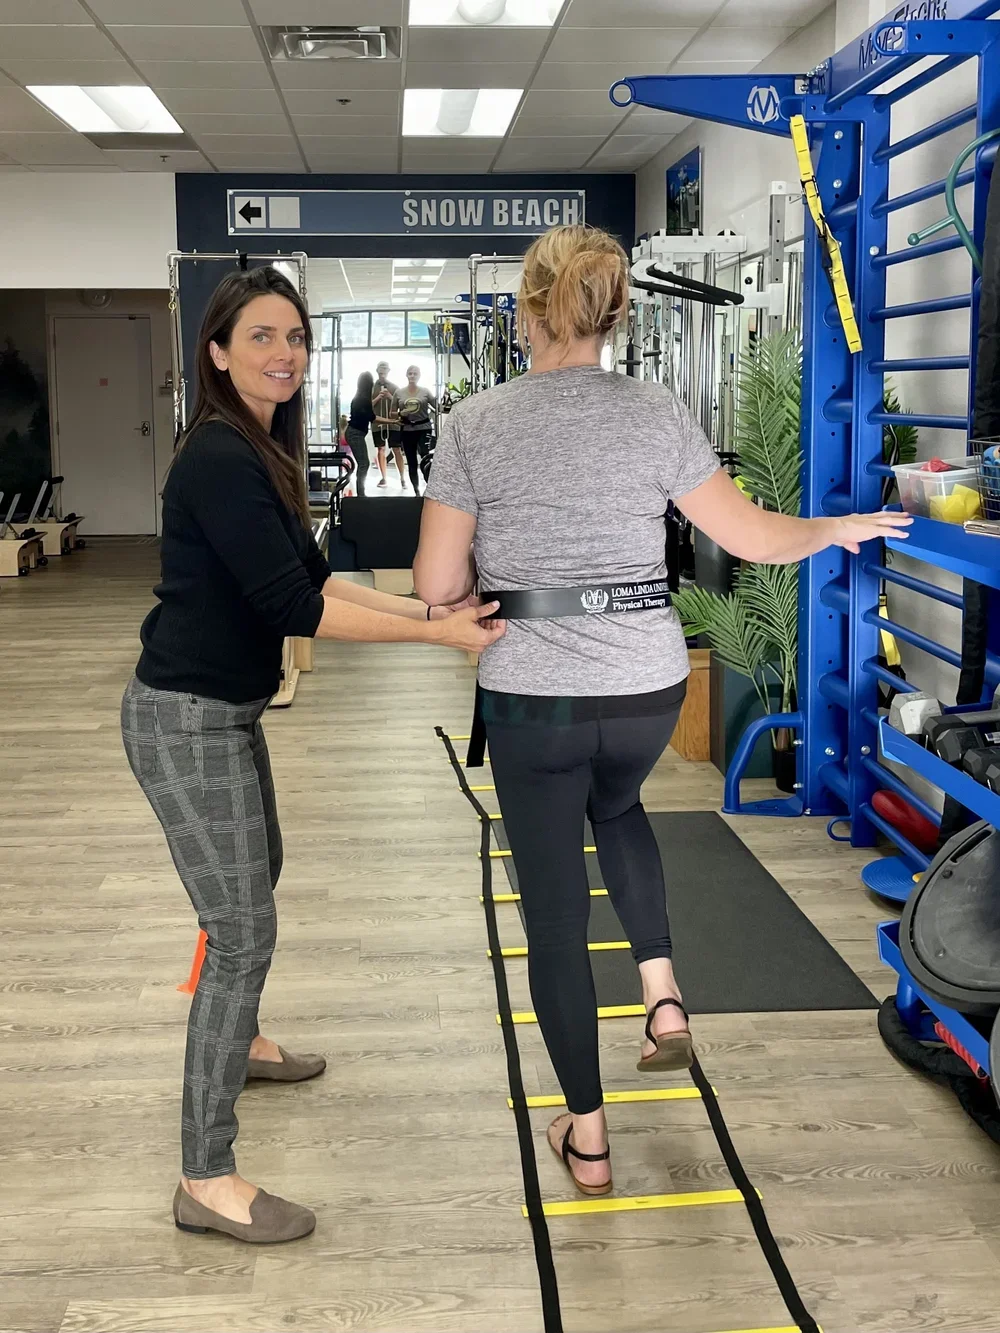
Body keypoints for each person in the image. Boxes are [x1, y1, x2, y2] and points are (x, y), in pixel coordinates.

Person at [413, 223, 911, 1198]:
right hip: (646, 688)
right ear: (616, 316)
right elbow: (754, 537)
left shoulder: (477, 423)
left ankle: (588, 1141)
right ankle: (662, 992)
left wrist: (482, 582)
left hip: (536, 694)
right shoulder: (655, 413)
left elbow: (435, 581)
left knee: (554, 918)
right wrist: (840, 525)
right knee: (620, 807)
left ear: (524, 316)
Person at [121, 266, 504, 1244]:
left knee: (260, 878)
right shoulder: (215, 455)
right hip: (186, 713)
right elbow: (297, 611)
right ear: (216, 350)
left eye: (294, 336)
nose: (283, 353)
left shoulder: (261, 448)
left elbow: (317, 575)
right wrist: (439, 640)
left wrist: (428, 609)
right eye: (260, 336)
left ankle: (237, 1038)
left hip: (227, 709)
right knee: (241, 926)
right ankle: (204, 1173)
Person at [393, 365, 437, 495]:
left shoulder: (425, 391)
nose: (412, 376)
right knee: (411, 461)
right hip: (407, 430)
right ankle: (416, 490)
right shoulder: (399, 393)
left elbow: (438, 407)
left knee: (425, 456)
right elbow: (392, 413)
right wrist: (401, 414)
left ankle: (430, 488)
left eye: (415, 374)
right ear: (406, 375)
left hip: (424, 428)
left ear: (419, 376)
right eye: (410, 373)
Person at [372, 360, 406, 489]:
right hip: (377, 423)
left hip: (393, 424)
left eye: (385, 369)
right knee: (380, 449)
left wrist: (390, 396)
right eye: (381, 369)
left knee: (396, 449)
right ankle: (383, 478)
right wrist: (378, 398)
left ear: (388, 371)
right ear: (377, 371)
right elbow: (367, 406)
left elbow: (401, 404)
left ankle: (402, 478)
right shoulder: (372, 387)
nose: (383, 371)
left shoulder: (394, 387)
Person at [346, 370, 375, 497]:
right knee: (364, 463)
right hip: (355, 433)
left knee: (363, 463)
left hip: (354, 432)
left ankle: (361, 492)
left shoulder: (359, 398)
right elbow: (372, 417)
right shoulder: (363, 400)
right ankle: (360, 493)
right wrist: (392, 421)